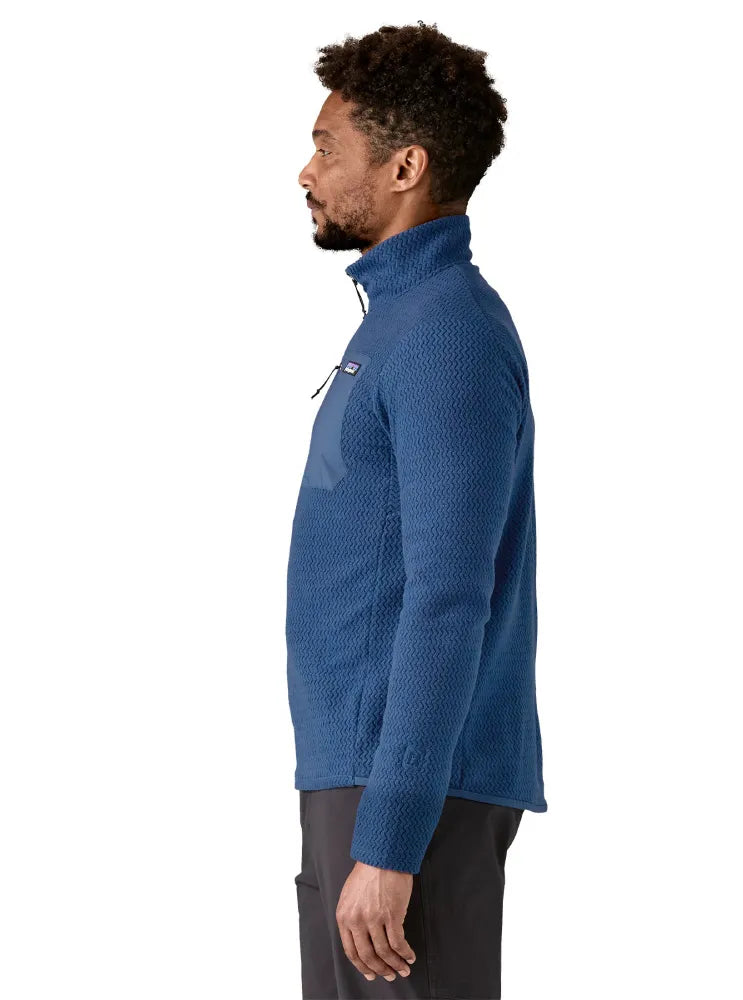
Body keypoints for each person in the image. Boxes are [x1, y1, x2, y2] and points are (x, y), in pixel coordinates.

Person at [287, 21, 546, 999]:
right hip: (363, 777)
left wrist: (390, 838)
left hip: (404, 794)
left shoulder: (446, 334)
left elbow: (449, 597)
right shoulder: (401, 323)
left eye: (328, 147)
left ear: (405, 167)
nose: (306, 170)